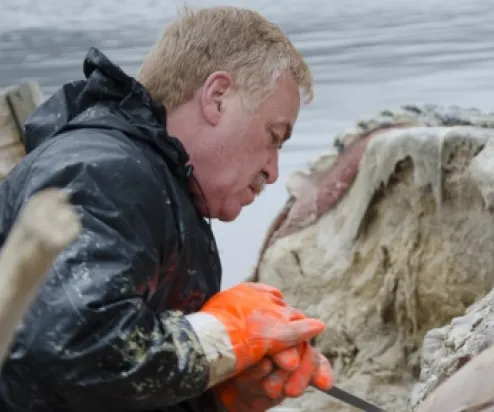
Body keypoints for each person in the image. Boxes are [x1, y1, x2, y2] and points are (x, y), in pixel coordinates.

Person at [0, 6, 334, 412]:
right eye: (273, 136)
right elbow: (70, 346)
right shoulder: (104, 173)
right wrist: (226, 334)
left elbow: (100, 392)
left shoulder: (159, 185)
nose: (273, 170)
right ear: (217, 97)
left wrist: (221, 395)